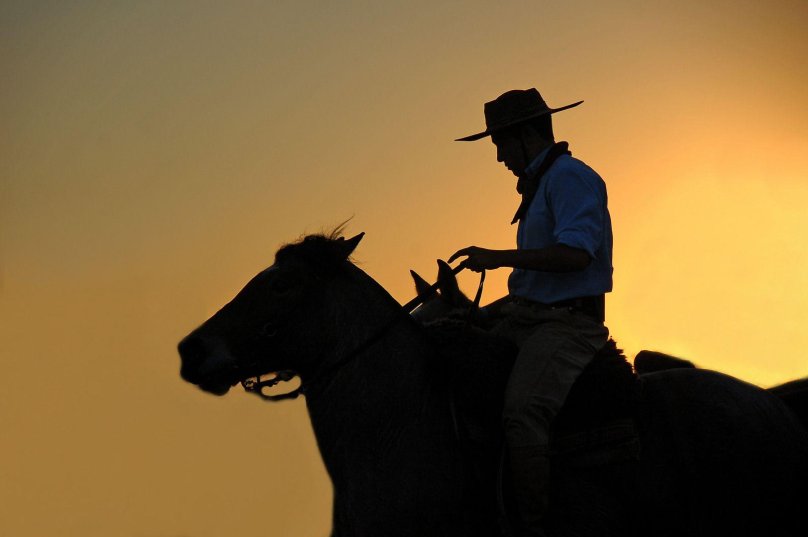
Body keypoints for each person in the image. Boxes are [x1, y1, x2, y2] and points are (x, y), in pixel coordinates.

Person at [449, 88, 613, 536]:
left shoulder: (570, 178)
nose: (499, 157)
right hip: (527, 317)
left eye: (501, 143)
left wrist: (499, 258)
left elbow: (577, 256)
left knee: (522, 412)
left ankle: (533, 526)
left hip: (568, 325)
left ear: (525, 136)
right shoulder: (543, 185)